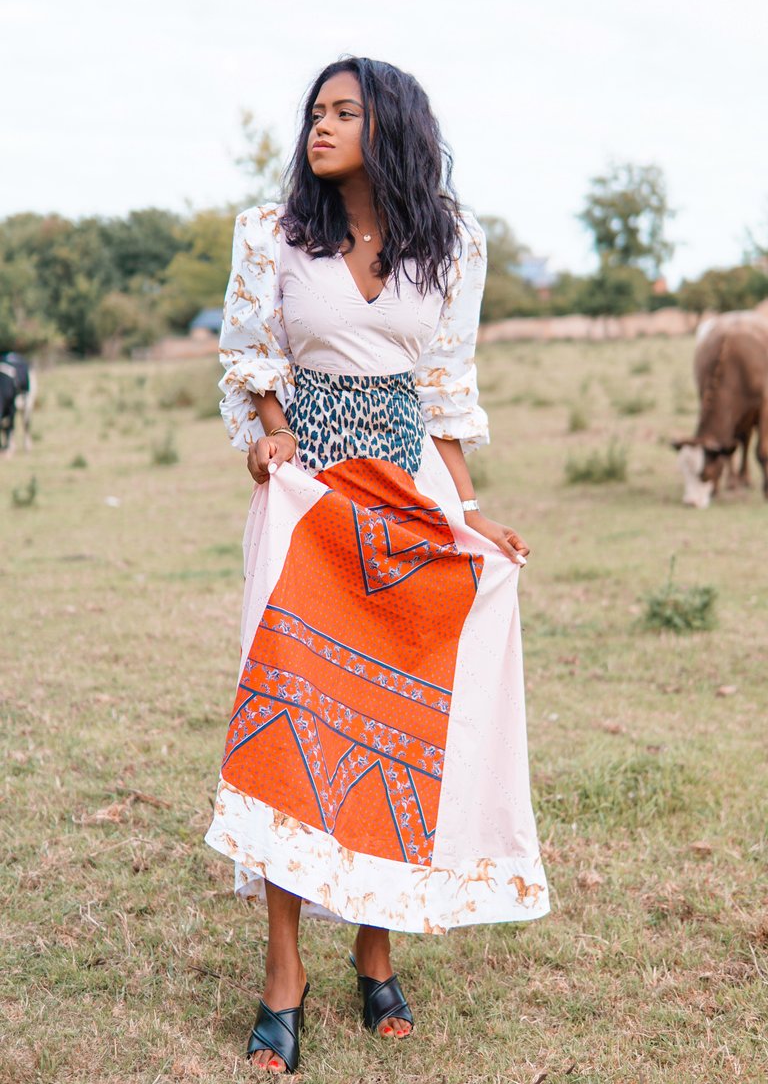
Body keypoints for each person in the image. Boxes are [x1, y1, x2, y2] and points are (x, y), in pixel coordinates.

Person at [205, 55, 550, 1074]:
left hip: (411, 494)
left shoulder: (451, 242)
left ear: (387, 123)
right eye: (314, 111)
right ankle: (283, 972)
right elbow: (248, 354)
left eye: (343, 111)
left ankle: (374, 945)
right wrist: (268, 434)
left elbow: (445, 384)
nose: (319, 125)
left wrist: (474, 512)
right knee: (291, 722)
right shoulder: (271, 235)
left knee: (402, 725)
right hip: (309, 497)